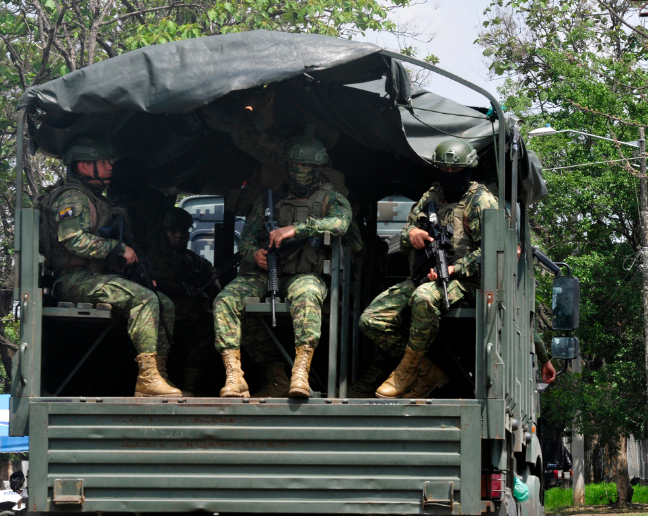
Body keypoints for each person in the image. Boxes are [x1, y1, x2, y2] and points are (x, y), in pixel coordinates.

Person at [212, 135, 353, 398]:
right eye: (293, 166)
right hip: (266, 273)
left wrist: (296, 229)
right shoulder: (270, 200)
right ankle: (234, 375)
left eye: (304, 166)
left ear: (316, 168)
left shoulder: (330, 198)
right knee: (224, 300)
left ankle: (300, 372)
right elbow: (247, 239)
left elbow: (340, 223)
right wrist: (255, 254)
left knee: (308, 296)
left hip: (304, 275)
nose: (298, 171)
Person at [358, 139, 498, 398]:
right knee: (371, 319)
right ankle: (425, 370)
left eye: (456, 171)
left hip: (466, 281)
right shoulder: (430, 196)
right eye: (444, 170)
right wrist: (411, 234)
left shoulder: (481, 201)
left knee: (423, 298)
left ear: (468, 170)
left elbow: (492, 251)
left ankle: (406, 370)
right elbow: (405, 231)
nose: (449, 175)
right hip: (424, 275)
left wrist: (455, 269)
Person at [45, 138, 180, 397]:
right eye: (104, 163)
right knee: (143, 300)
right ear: (84, 166)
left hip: (95, 277)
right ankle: (147, 378)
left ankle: (159, 374)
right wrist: (117, 249)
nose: (110, 167)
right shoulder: (73, 197)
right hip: (74, 280)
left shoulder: (97, 198)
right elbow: (73, 240)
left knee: (164, 303)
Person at [162, 207, 223, 394]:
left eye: (184, 230)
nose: (180, 235)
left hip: (190, 315)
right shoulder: (159, 258)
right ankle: (189, 385)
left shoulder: (192, 258)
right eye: (173, 230)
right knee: (205, 323)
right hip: (168, 313)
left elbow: (212, 276)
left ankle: (192, 385)